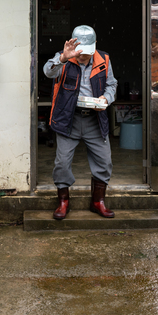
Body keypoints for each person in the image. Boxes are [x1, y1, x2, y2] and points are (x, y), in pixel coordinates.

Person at [44, 25, 118, 220]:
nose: (83, 57)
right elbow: (47, 72)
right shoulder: (64, 57)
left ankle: (97, 202)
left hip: (95, 118)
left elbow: (112, 84)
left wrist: (106, 99)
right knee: (62, 162)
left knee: (104, 160)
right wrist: (62, 59)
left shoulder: (104, 59)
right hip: (69, 119)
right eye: (80, 52)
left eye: (87, 53)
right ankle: (63, 202)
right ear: (73, 46)